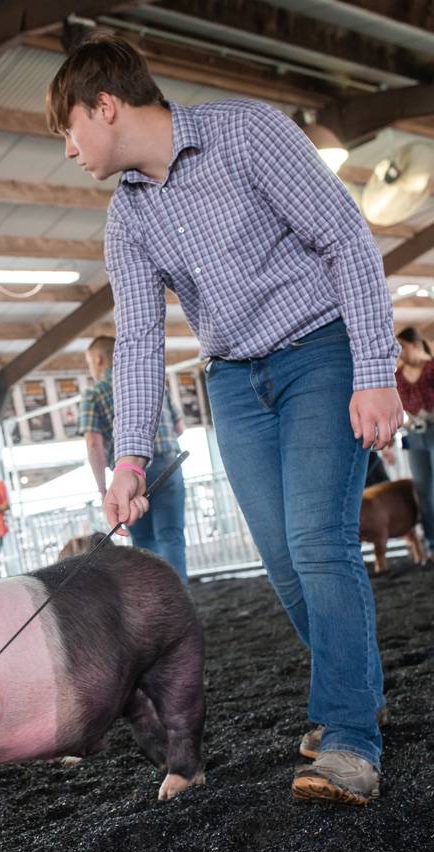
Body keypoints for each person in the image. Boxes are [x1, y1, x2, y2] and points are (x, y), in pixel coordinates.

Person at [47, 34, 405, 806]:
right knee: (282, 563)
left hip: (323, 353)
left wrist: (377, 372)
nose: (69, 148)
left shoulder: (249, 132)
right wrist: (130, 459)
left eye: (69, 127)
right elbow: (140, 341)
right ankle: (357, 690)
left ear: (105, 105)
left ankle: (348, 738)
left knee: (319, 541)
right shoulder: (127, 220)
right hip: (234, 381)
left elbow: (346, 238)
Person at [79, 333, 187, 580]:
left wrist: (103, 488)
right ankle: (180, 600)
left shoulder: (94, 393)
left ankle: (158, 605)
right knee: (172, 535)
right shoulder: (151, 380)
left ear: (98, 360)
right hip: (169, 463)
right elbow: (179, 427)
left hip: (128, 471)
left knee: (144, 541)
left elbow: (94, 445)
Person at [395, 327, 434, 562]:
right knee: (422, 490)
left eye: (402, 345)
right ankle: (431, 542)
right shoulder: (398, 375)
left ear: (413, 345)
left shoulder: (430, 368)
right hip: (414, 434)